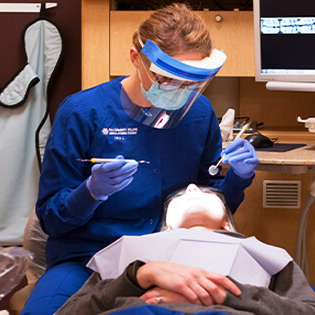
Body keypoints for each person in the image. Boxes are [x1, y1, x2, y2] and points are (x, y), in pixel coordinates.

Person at [23, 3, 260, 314]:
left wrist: (238, 178)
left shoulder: (199, 114)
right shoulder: (83, 113)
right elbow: (52, 219)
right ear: (136, 59)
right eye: (168, 78)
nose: (180, 91)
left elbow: (212, 208)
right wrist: (90, 192)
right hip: (88, 258)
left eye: (190, 83)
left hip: (175, 256)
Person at [56, 184, 315, 315]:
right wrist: (138, 276)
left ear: (227, 224)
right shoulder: (131, 250)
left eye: (206, 191)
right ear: (166, 228)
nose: (191, 187)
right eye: (180, 196)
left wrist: (228, 294)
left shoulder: (262, 254)